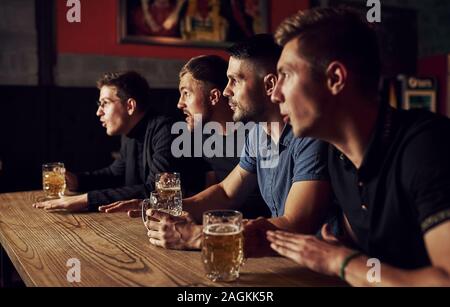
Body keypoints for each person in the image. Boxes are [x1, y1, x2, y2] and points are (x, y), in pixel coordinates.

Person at [268, 7, 450, 286]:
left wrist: (339, 262)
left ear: (335, 79)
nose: (276, 93)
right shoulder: (337, 157)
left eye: (287, 75)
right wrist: (343, 251)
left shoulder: (428, 147)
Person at [139, 34, 332, 256]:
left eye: (235, 80)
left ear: (269, 84)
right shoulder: (258, 134)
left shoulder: (310, 137)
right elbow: (226, 193)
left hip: (320, 270)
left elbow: (296, 224)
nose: (226, 91)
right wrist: (166, 210)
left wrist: (197, 236)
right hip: (280, 260)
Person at [100, 55, 270, 219]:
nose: (179, 103)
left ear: (214, 97)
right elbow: (215, 191)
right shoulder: (201, 137)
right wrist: (159, 205)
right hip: (220, 224)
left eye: (186, 93)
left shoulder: (258, 134)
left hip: (259, 232)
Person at [33, 71, 177, 213]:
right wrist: (77, 181)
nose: (98, 112)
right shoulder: (128, 133)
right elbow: (115, 175)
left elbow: (157, 190)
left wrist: (85, 199)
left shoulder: (166, 130)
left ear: (130, 106)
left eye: (105, 103)